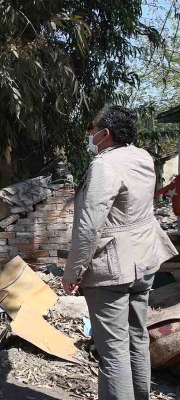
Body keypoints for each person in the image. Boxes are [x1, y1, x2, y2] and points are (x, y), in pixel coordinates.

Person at [62, 105, 178, 400]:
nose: (89, 133)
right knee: (136, 340)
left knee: (112, 352)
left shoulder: (105, 165)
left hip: (113, 268)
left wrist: (72, 272)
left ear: (106, 133)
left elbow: (89, 225)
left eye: (92, 127)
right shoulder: (142, 157)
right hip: (144, 261)